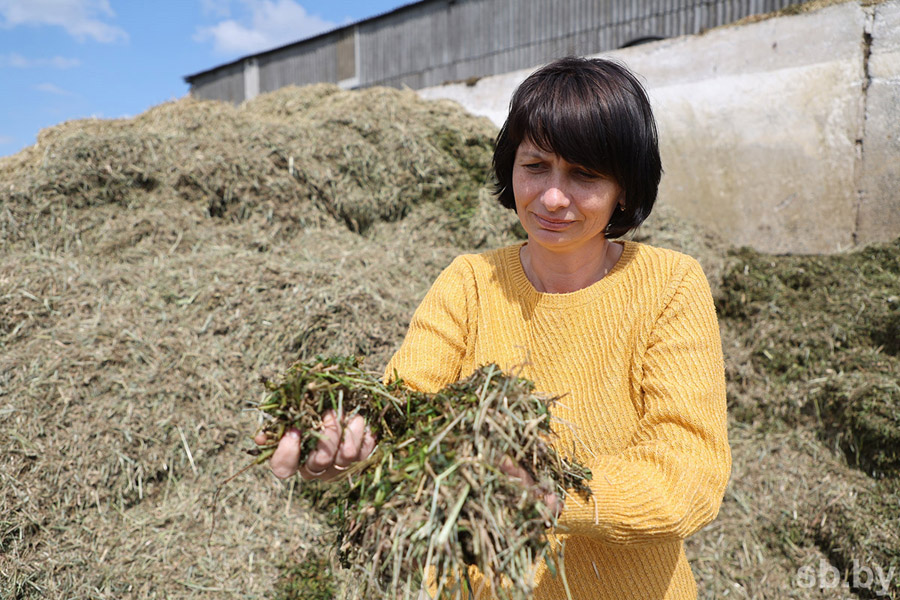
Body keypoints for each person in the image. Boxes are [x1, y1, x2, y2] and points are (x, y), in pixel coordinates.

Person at [257, 56, 731, 600]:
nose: (553, 197)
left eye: (585, 174)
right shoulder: (470, 283)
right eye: (535, 166)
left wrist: (551, 492)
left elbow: (688, 473)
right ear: (511, 167)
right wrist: (349, 443)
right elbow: (405, 409)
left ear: (624, 188)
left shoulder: (668, 284)